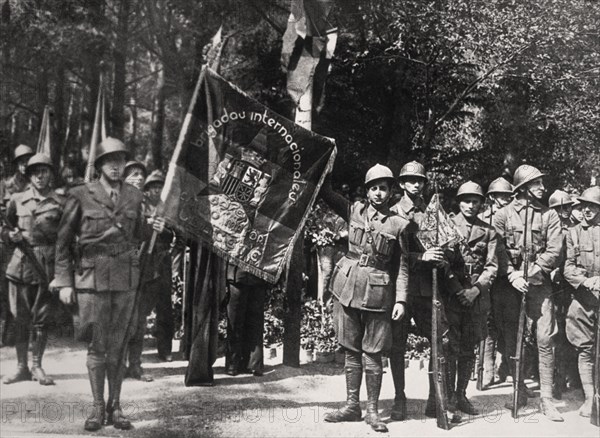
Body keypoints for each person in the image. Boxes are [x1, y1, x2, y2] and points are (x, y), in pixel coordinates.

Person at [52, 137, 165, 431]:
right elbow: (63, 243)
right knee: (97, 346)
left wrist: (155, 227)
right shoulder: (80, 195)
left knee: (118, 345)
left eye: (120, 160)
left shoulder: (134, 196)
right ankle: (96, 407)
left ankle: (116, 407)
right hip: (91, 278)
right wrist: (63, 281)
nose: (115, 166)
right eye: (109, 161)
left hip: (126, 279)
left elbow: (140, 234)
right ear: (100, 164)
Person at [321, 164, 409, 433]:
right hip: (347, 289)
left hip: (379, 293)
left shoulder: (399, 224)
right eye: (374, 188)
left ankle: (371, 409)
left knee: (373, 352)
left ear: (391, 191)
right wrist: (325, 164)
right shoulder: (353, 210)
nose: (379, 193)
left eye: (384, 188)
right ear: (367, 190)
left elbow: (403, 266)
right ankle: (351, 406)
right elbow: (325, 193)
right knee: (351, 349)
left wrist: (401, 300)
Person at [389, 161, 461, 420]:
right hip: (400, 288)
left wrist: (444, 256)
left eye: (419, 180)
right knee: (397, 345)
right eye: (410, 180)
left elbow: (450, 244)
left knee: (440, 340)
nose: (416, 184)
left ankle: (436, 400)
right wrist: (422, 256)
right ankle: (399, 399)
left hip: (428, 289)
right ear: (401, 184)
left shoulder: (433, 211)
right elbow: (390, 255)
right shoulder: (392, 212)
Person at [493, 164, 564, 421]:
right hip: (510, 285)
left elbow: (555, 250)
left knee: (546, 337)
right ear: (523, 188)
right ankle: (518, 390)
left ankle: (546, 399)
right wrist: (512, 274)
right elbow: (497, 249)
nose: (543, 188)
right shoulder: (502, 215)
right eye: (537, 184)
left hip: (539, 285)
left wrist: (531, 272)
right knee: (512, 339)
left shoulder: (549, 216)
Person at [1, 153, 63, 385]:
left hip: (47, 265)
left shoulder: (60, 202)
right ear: (29, 174)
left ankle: (37, 366)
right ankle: (20, 367)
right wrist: (10, 235)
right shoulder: (17, 199)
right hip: (20, 265)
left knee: (42, 319)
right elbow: (4, 231)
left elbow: (65, 239)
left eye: (44, 171)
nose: (39, 175)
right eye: (35, 171)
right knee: (20, 319)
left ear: (50, 174)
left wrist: (62, 272)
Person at [443, 182, 498, 415]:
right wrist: (458, 289)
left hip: (476, 296)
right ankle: (447, 399)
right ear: (459, 202)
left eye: (475, 201)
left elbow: (492, 266)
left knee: (468, 347)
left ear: (481, 204)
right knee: (449, 347)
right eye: (466, 200)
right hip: (452, 295)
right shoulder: (446, 225)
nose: (471, 205)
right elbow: (442, 262)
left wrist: (475, 290)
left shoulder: (489, 231)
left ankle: (461, 395)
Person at [126, 170, 174, 382]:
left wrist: (162, 228)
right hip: (125, 265)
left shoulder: (158, 207)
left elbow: (173, 232)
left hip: (150, 268)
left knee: (140, 317)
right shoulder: (125, 204)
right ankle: (118, 364)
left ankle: (135, 364)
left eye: (158, 186)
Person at [563, 186, 600, 418]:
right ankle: (589, 399)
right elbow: (568, 267)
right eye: (584, 205)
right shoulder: (573, 232)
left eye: (593, 206)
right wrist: (588, 281)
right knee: (585, 349)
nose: (587, 210)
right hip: (584, 299)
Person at [478, 177, 513, 389]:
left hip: (504, 277)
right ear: (491, 197)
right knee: (486, 323)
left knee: (505, 322)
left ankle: (505, 367)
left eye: (508, 196)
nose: (505, 200)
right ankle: (485, 369)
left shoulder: (512, 218)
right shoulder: (481, 218)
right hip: (484, 275)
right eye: (501, 196)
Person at [0, 145, 34, 347]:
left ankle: (27, 335)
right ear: (16, 165)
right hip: (9, 246)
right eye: (21, 162)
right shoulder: (6, 185)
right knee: (7, 289)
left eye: (28, 161)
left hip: (29, 244)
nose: (25, 166)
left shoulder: (36, 184)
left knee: (29, 289)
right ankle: (7, 334)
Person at [548, 190, 579, 398]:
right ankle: (553, 382)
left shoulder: (575, 230)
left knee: (569, 334)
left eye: (568, 207)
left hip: (571, 287)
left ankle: (567, 379)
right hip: (551, 286)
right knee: (552, 335)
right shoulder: (548, 229)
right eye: (560, 208)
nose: (565, 211)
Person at [225, 265, 268, 377]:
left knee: (251, 320)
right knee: (236, 320)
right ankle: (238, 363)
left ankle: (250, 363)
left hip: (250, 274)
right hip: (243, 275)